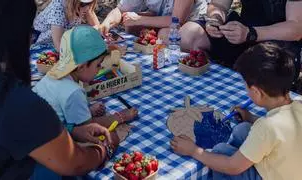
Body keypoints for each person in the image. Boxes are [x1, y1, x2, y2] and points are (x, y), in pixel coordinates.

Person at [0, 0, 119, 179]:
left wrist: (73, 131)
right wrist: (105, 148)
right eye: (31, 33)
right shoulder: (12, 98)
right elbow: (75, 162)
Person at [171, 42, 302, 180]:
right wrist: (250, 117)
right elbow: (280, 133)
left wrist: (194, 151)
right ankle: (244, 156)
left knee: (221, 151)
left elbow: (232, 167)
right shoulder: (298, 105)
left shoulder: (267, 127)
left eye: (245, 85)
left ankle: (236, 159)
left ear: (256, 92)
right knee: (243, 129)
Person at [32, 25, 138, 144]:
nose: (100, 68)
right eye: (98, 65)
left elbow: (62, 107)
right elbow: (88, 127)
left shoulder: (53, 74)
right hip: (48, 142)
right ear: (81, 66)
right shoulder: (74, 91)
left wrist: (88, 110)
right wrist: (120, 117)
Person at [190, 0, 302, 79]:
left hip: (278, 43)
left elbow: (297, 28)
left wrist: (251, 33)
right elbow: (218, 5)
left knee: (260, 67)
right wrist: (215, 19)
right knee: (190, 35)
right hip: (242, 34)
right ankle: (209, 81)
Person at [98, 0, 209, 46]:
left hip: (192, 24)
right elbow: (120, 10)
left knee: (165, 34)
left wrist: (139, 19)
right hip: (163, 20)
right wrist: (106, 23)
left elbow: (177, 20)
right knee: (132, 25)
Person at [33, 0, 100, 51]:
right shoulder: (58, 9)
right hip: (45, 42)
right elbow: (59, 46)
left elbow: (96, 27)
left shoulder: (84, 6)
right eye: (83, 4)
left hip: (65, 37)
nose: (87, 8)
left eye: (89, 3)